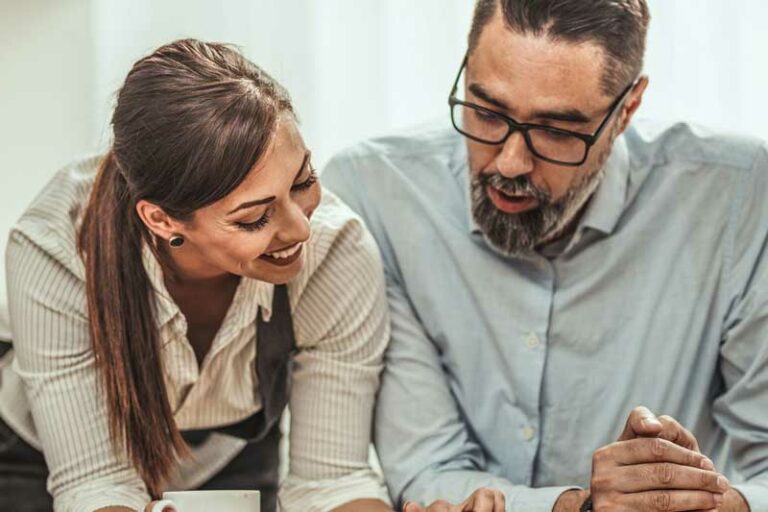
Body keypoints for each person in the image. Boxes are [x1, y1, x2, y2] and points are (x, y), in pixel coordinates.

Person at [322, 1, 768, 511]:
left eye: (556, 131)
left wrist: (706, 503)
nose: (510, 162)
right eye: (487, 113)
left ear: (627, 109)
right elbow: (428, 470)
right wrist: (578, 506)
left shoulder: (739, 193)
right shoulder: (376, 191)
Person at [0, 39, 393, 512]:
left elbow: (333, 481)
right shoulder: (57, 245)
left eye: (303, 181)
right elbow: (94, 483)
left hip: (223, 455)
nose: (301, 228)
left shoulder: (336, 249)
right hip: (38, 457)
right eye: (253, 218)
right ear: (162, 220)